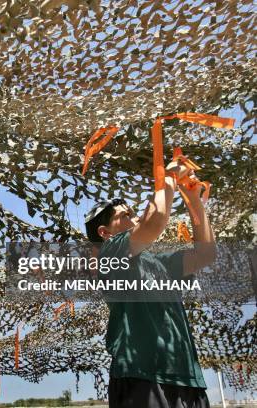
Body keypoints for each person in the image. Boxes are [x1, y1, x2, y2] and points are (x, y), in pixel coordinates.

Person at [84, 160, 215, 408]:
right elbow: (153, 223)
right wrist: (168, 178)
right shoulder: (109, 254)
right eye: (126, 216)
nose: (134, 219)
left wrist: (193, 198)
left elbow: (206, 254)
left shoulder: (160, 262)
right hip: (141, 376)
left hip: (187, 376)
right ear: (104, 233)